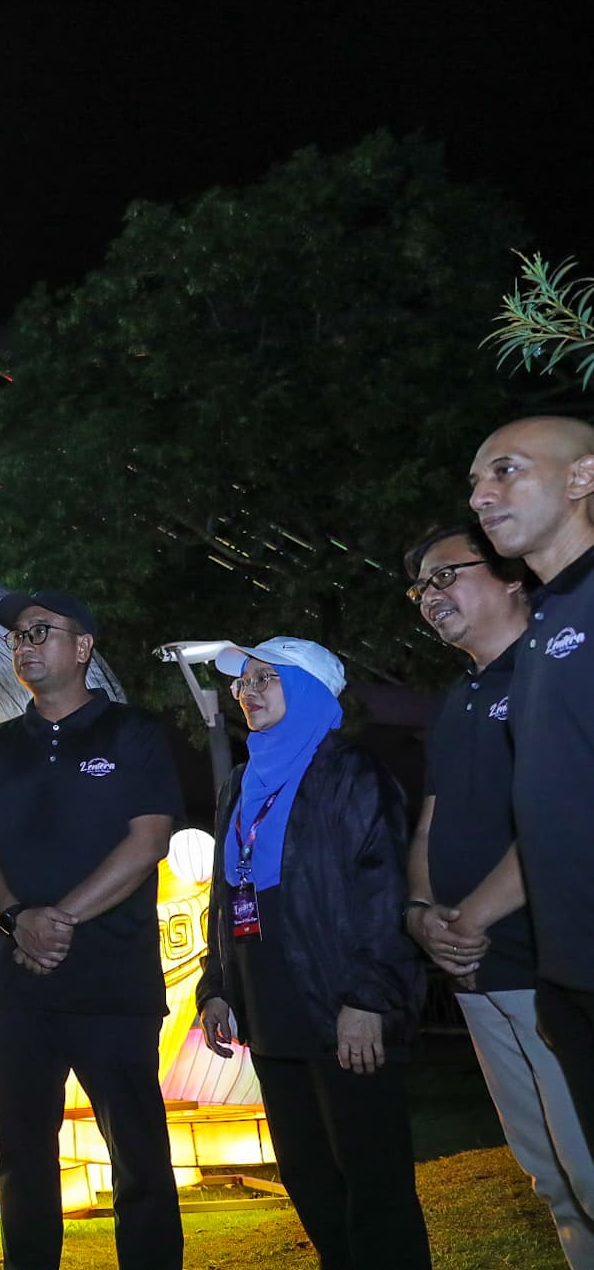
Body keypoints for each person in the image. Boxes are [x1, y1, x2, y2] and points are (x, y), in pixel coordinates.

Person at [0, 591, 183, 1270]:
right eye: (17, 637)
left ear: (83, 647)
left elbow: (149, 840)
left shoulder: (133, 733)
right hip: (15, 984)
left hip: (112, 978)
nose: (24, 645)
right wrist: (17, 918)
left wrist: (58, 920)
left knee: (138, 1152)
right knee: (22, 1157)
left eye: (40, 631)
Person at [196, 637, 429, 1270]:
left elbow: (384, 889)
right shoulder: (240, 782)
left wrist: (368, 999)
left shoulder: (351, 772)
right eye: (242, 681)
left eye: (265, 678)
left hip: (342, 1004)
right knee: (307, 1174)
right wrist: (217, 986)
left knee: (372, 1177)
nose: (246, 691)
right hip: (270, 1006)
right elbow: (226, 893)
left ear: (308, 692)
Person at [402, 523, 594, 1266]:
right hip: (476, 975)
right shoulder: (458, 698)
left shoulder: (554, 669)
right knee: (550, 1177)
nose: (430, 596)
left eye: (445, 575)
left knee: (588, 1167)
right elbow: (431, 820)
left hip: (549, 968)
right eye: (421, 588)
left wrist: (472, 916)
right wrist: (421, 913)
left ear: (513, 576)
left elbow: (564, 811)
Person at [469, 415, 594, 1138]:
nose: (481, 496)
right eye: (475, 483)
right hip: (569, 969)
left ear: (582, 477)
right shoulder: (545, 622)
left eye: (506, 470)